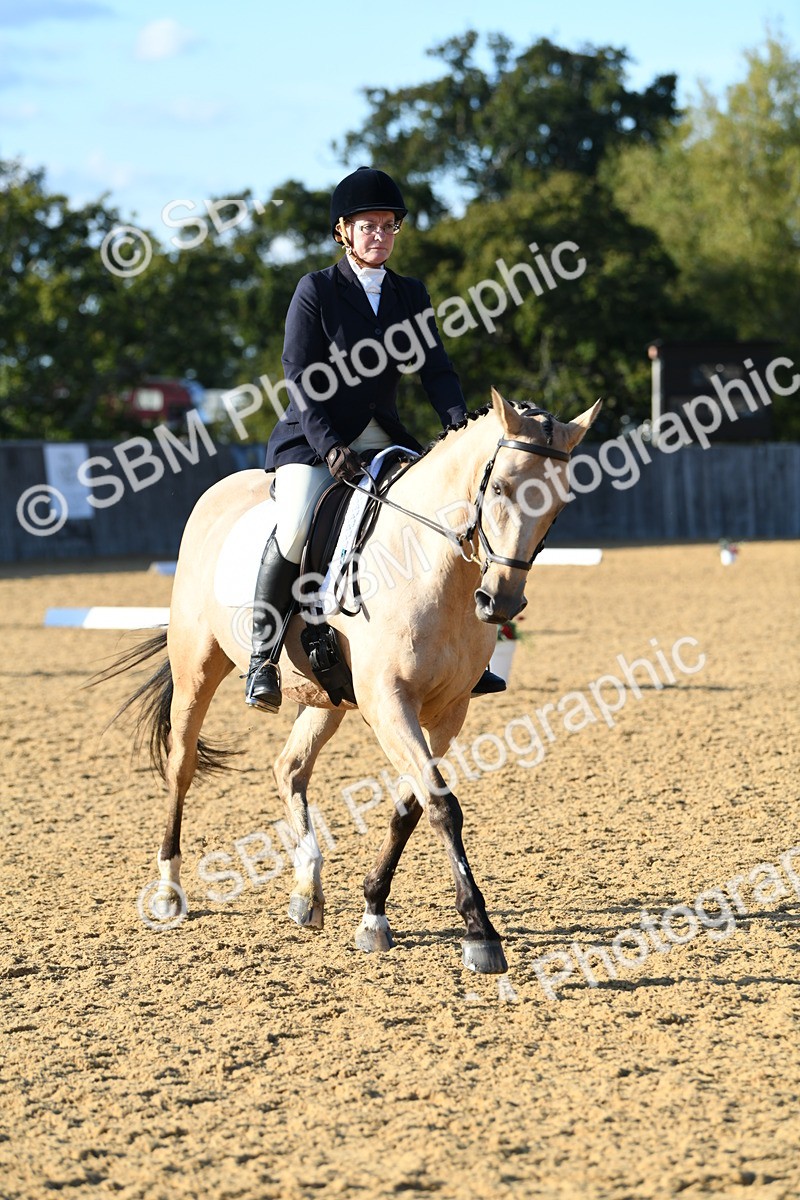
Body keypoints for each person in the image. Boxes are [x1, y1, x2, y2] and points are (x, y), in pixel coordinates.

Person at [245, 166, 506, 712]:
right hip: (314, 436)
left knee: (452, 516)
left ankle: (465, 659)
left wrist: (459, 425)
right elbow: (299, 374)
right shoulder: (315, 289)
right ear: (344, 231)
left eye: (389, 227)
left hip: (383, 435)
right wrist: (329, 445)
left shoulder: (410, 293)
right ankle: (262, 658)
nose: (380, 236)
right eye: (369, 226)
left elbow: (435, 368)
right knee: (295, 523)